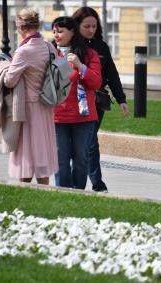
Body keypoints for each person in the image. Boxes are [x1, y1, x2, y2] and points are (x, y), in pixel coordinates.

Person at [72, 7, 128, 193]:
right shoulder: (69, 45)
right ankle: (76, 180)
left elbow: (111, 73)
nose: (91, 30)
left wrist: (121, 99)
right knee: (80, 141)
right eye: (86, 26)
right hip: (72, 100)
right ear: (76, 26)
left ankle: (97, 184)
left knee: (90, 140)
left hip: (97, 100)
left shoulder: (101, 46)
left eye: (94, 26)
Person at [3, 7, 58, 185]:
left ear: (21, 27)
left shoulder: (24, 51)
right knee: (42, 151)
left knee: (25, 151)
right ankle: (44, 189)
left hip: (27, 108)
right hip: (46, 104)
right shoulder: (49, 46)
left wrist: (4, 67)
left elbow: (10, 81)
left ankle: (24, 188)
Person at [52, 16, 102, 189]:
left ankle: (78, 193)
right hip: (58, 116)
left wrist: (81, 66)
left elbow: (96, 83)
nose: (56, 35)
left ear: (72, 31)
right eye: (54, 31)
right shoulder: (51, 54)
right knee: (61, 160)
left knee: (81, 159)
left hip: (83, 117)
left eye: (60, 31)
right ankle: (63, 193)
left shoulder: (89, 54)